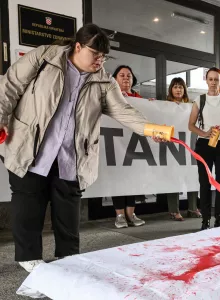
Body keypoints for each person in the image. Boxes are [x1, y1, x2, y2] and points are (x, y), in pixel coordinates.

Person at [0, 24, 165, 273]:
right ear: (78, 47)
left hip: (71, 156)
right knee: (28, 207)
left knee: (67, 215)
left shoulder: (104, 81)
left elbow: (123, 110)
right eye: (95, 54)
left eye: (104, 56)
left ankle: (68, 261)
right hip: (31, 149)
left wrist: (151, 129)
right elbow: (9, 87)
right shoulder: (44, 58)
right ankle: (29, 257)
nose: (100, 60)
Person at [188, 67, 220, 230]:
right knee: (204, 182)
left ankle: (219, 218)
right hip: (204, 144)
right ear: (206, 80)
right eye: (211, 79)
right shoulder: (199, 100)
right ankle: (205, 219)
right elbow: (191, 125)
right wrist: (204, 133)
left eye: (216, 79)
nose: (213, 82)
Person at [111, 65, 146, 228]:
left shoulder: (139, 98)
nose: (125, 78)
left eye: (129, 76)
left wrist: (151, 105)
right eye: (122, 75)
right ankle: (119, 215)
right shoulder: (111, 96)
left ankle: (131, 214)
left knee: (132, 178)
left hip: (134, 144)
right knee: (118, 179)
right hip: (116, 145)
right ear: (115, 79)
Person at [166, 77, 201, 221]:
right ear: (171, 90)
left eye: (181, 87)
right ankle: (174, 210)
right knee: (174, 178)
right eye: (175, 87)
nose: (178, 89)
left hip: (190, 146)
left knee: (192, 177)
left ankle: (192, 208)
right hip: (173, 147)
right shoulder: (165, 105)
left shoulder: (191, 106)